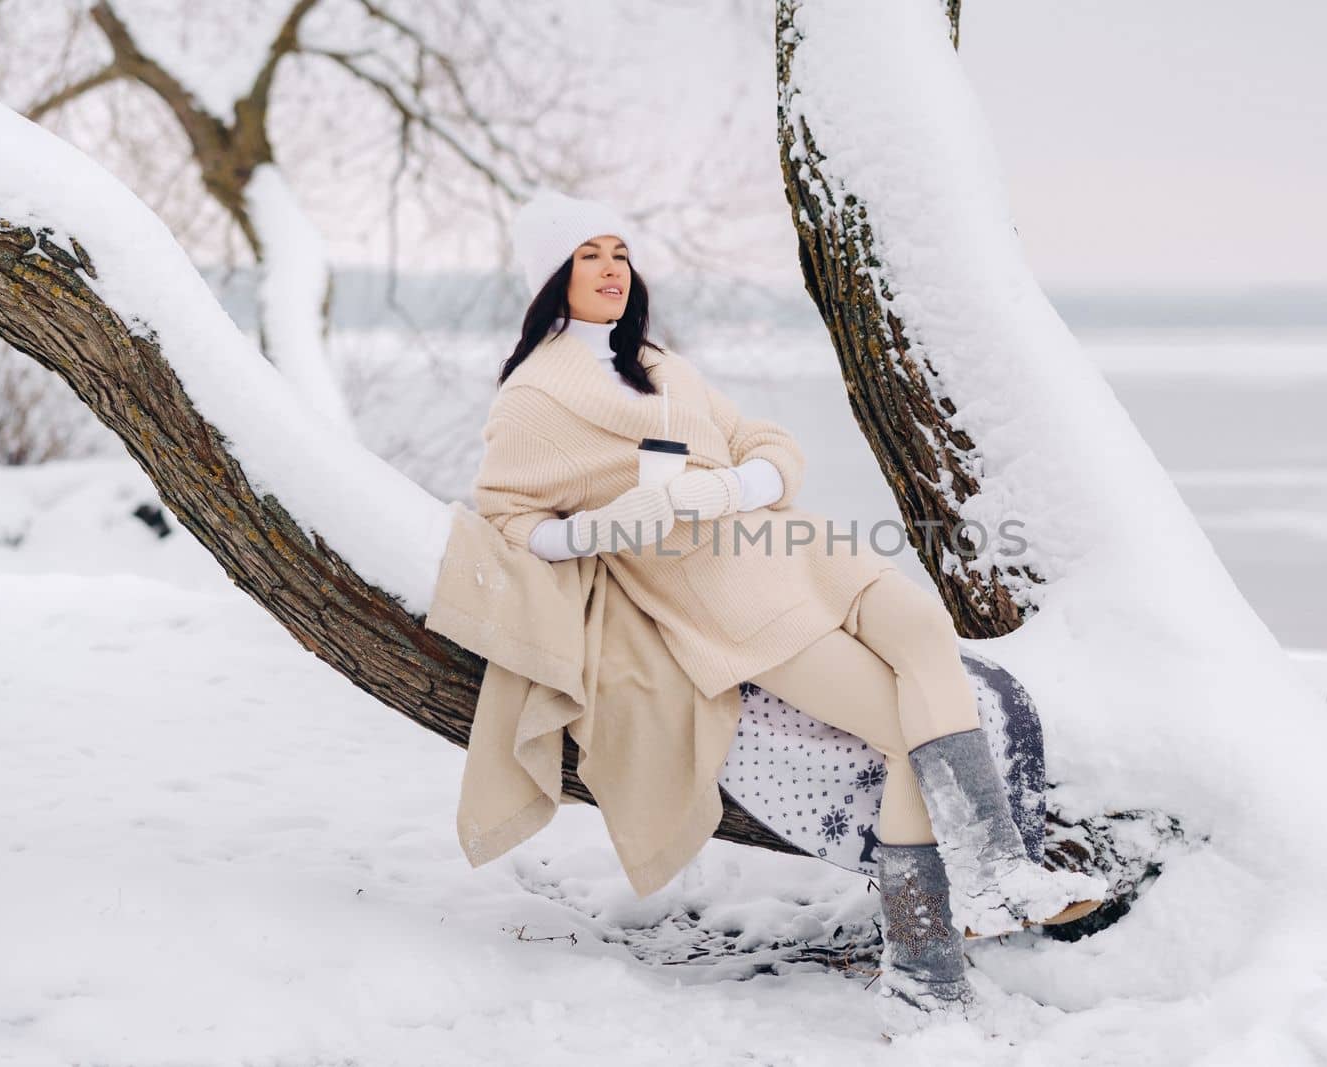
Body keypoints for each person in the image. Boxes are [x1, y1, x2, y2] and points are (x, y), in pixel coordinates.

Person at [473, 188, 1107, 1037]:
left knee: (923, 632)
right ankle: (923, 969)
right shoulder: (534, 399)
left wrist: (734, 484)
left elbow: (770, 445)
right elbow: (509, 522)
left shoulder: (662, 365)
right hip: (722, 598)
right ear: (553, 276)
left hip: (800, 548)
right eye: (589, 254)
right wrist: (607, 525)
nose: (612, 268)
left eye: (620, 251)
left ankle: (995, 872)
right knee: (900, 731)